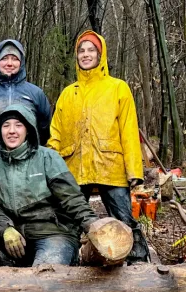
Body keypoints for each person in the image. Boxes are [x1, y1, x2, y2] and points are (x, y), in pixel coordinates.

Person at [48, 30, 149, 263]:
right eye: (81, 51)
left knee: (124, 219)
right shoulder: (67, 93)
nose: (85, 55)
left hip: (110, 166)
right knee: (71, 220)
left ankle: (139, 265)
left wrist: (134, 171)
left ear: (100, 54)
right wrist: (52, 169)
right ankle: (68, 265)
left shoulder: (118, 88)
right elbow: (56, 134)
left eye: (91, 50)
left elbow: (129, 131)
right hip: (73, 167)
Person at [0, 104, 99, 267]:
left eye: (18, 125)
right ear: (0, 131)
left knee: (45, 277)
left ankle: (56, 265)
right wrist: (6, 229)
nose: (11, 131)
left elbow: (72, 198)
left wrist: (92, 224)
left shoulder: (48, 158)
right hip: (16, 236)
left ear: (28, 129)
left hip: (53, 234)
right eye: (6, 126)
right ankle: (8, 274)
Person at [0, 39, 51, 186]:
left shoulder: (36, 94)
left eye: (15, 58)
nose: (9, 63)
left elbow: (45, 128)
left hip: (28, 165)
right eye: (4, 58)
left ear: (22, 62)